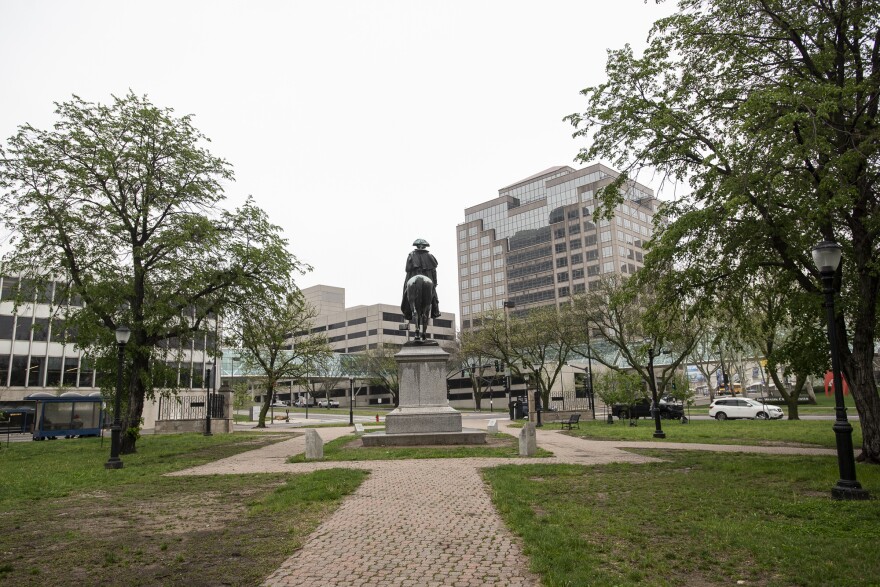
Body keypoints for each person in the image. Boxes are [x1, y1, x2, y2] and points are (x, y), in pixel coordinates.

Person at [401, 238, 440, 319]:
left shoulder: (411, 255)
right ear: (425, 247)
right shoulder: (430, 256)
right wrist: (435, 282)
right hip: (428, 278)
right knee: (433, 295)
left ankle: (407, 312)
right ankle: (435, 311)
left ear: (416, 246)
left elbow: (407, 269)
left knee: (406, 292)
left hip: (413, 276)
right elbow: (434, 271)